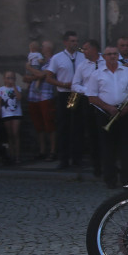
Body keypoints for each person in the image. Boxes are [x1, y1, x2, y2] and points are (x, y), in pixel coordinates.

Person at [87, 45, 128, 188]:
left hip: (125, 114)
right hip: (105, 114)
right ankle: (110, 180)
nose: (112, 56)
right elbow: (92, 97)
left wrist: (127, 108)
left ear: (118, 56)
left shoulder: (127, 71)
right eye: (109, 54)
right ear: (103, 57)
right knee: (107, 149)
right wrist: (109, 108)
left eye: (115, 54)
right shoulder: (96, 74)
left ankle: (127, 180)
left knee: (127, 148)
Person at [45, 30, 83, 169]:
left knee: (77, 126)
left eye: (76, 41)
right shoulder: (57, 58)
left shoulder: (82, 57)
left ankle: (77, 158)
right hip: (64, 94)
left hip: (77, 94)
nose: (75, 43)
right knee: (64, 126)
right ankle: (64, 159)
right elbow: (48, 77)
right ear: (65, 42)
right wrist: (63, 84)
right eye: (72, 41)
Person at [72, 39, 103, 175]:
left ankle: (109, 163)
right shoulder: (82, 66)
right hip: (89, 102)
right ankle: (96, 165)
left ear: (94, 50)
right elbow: (75, 85)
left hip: (105, 101)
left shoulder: (105, 62)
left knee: (106, 134)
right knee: (92, 134)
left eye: (86, 49)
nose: (83, 51)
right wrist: (88, 90)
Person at [26, 40, 57, 161]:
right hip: (33, 96)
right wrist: (34, 75)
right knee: (38, 125)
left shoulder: (52, 61)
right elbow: (27, 77)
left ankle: (53, 151)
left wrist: (29, 68)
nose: (40, 48)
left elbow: (42, 75)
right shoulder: (38, 60)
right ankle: (42, 150)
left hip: (46, 96)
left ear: (48, 49)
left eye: (43, 46)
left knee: (49, 124)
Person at [0, 71, 22, 164]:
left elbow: (19, 98)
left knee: (16, 133)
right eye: (8, 78)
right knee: (9, 134)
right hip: (6, 114)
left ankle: (17, 156)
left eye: (12, 78)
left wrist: (14, 87)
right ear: (4, 79)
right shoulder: (1, 89)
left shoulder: (17, 88)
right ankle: (11, 154)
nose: (10, 80)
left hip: (16, 113)